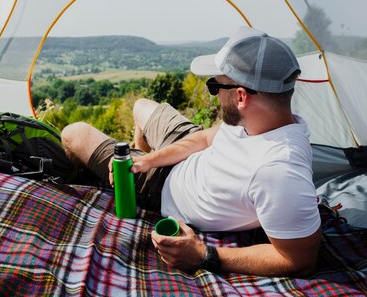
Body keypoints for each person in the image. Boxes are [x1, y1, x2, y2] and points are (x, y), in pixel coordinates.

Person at [61, 26, 321, 277]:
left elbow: (298, 260)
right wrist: (148, 160)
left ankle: (136, 187)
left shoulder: (277, 172)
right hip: (188, 151)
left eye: (215, 87)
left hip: (164, 187)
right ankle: (137, 159)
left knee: (73, 134)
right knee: (141, 106)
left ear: (241, 97)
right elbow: (207, 138)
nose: (214, 96)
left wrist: (203, 255)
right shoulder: (259, 119)